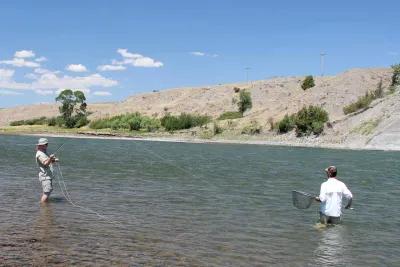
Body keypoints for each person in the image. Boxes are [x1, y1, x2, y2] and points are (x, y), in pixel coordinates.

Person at [36, 138, 59, 203]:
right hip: (45, 176)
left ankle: (45, 204)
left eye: (47, 144)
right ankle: (43, 206)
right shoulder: (39, 154)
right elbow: (45, 164)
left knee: (48, 191)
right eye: (46, 144)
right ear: (42, 145)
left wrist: (54, 160)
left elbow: (47, 161)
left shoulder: (44, 152)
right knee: (47, 192)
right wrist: (50, 158)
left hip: (48, 175)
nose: (47, 145)